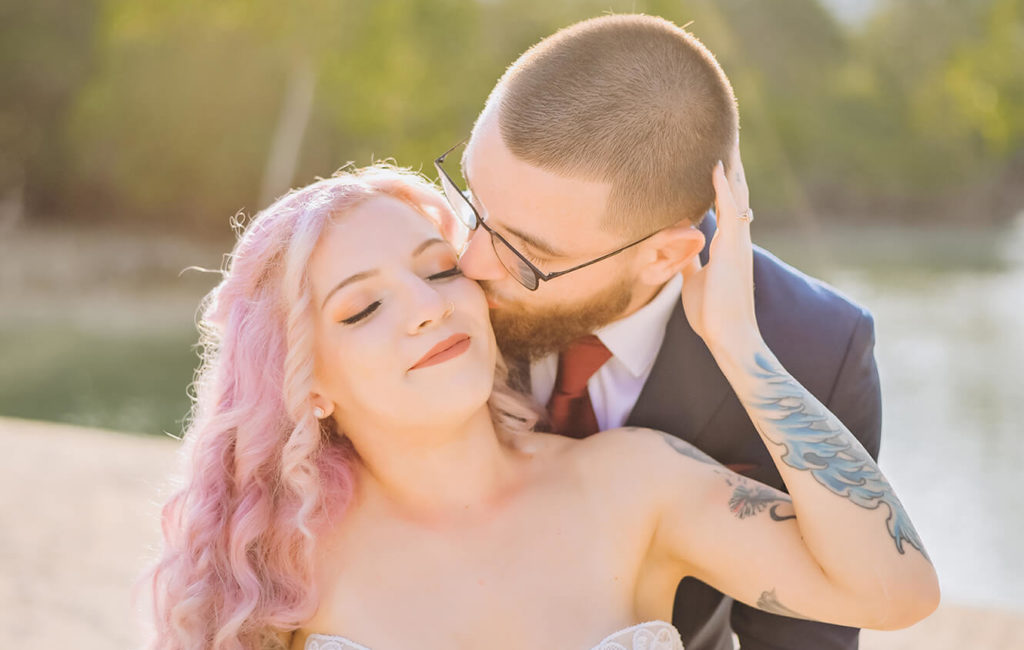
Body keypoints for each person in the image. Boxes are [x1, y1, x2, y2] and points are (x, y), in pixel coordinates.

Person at [143, 162, 938, 650]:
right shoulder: (275, 565)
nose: (425, 308)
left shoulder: (635, 484)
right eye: (361, 309)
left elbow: (896, 591)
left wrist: (738, 343)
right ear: (304, 383)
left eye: (439, 271)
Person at [441, 13, 886, 650]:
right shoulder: (412, 288)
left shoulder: (814, 350)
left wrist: (740, 353)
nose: (469, 263)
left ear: (663, 257)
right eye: (473, 203)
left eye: (526, 253)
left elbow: (806, 635)